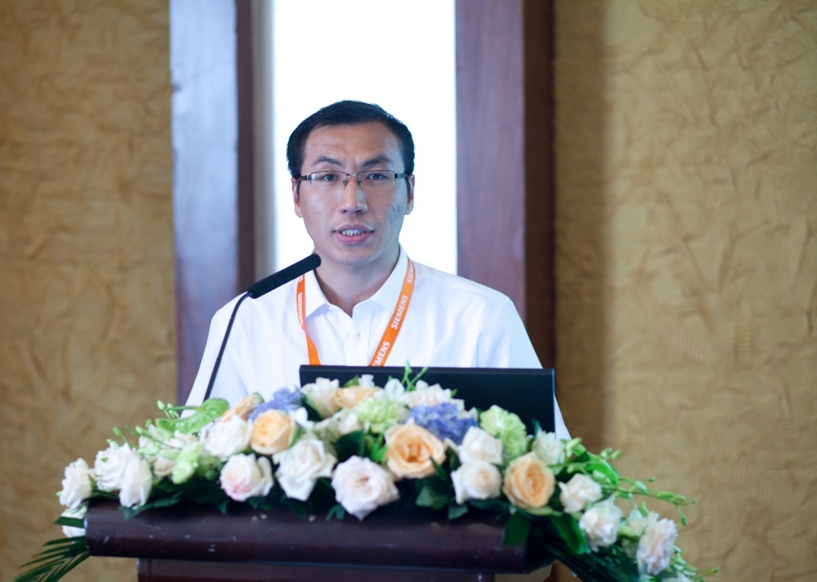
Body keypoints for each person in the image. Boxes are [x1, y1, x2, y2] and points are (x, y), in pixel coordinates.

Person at [186, 100, 569, 438]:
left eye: (376, 176)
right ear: (296, 196)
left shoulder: (480, 318)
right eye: (328, 177)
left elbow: (549, 465)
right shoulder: (245, 319)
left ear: (410, 192)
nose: (352, 201)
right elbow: (195, 461)